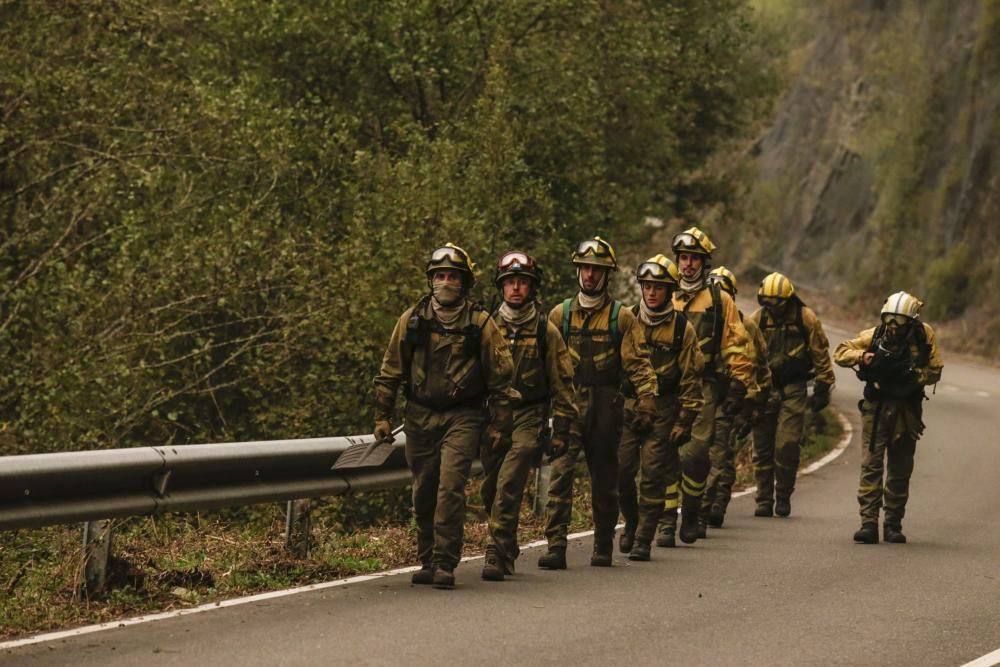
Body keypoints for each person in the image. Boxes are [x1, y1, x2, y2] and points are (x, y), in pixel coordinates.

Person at [373, 243, 517, 589]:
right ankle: (426, 557)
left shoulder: (480, 323)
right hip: (420, 416)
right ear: (430, 280)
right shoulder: (412, 320)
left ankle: (444, 561)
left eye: (453, 276)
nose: (446, 282)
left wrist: (499, 425)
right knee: (423, 490)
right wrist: (382, 415)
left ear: (465, 282)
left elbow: (502, 378)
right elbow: (390, 369)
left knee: (450, 487)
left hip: (463, 417)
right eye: (440, 276)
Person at [538, 236, 658, 569]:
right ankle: (556, 546)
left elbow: (639, 364)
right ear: (578, 272)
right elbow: (543, 365)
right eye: (585, 268)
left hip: (607, 406)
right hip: (568, 404)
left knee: (606, 478)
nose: (590, 275)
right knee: (560, 474)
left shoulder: (621, 318)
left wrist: (647, 402)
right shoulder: (559, 315)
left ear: (608, 275)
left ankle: (603, 544)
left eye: (597, 270)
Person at [655, 227, 757, 547]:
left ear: (704, 263)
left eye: (693, 259)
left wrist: (741, 383)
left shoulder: (718, 299)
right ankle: (668, 521)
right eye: (683, 258)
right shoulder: (663, 294)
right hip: (666, 387)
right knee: (666, 453)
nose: (687, 265)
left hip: (703, 388)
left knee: (695, 454)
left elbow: (737, 343)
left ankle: (693, 509)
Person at [480, 251, 576, 581]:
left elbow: (562, 381)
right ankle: (507, 548)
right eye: (510, 283)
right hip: (493, 415)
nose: (516, 288)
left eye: (522, 282)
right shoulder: (486, 326)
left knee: (510, 479)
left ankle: (495, 550)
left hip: (529, 415)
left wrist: (561, 428)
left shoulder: (544, 330)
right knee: (490, 487)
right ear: (501, 288)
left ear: (532, 288)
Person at [834, 291, 943, 544]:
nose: (893, 326)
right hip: (877, 407)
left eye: (900, 321)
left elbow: (935, 369)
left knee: (900, 468)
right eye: (889, 319)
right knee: (870, 465)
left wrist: (913, 377)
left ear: (912, 321)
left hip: (907, 410)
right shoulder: (873, 335)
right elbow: (840, 353)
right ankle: (868, 523)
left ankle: (893, 524)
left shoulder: (924, 336)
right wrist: (862, 356)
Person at [617, 255, 703, 561]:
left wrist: (686, 420)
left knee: (653, 472)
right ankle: (631, 521)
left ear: (670, 291)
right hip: (629, 405)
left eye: (659, 287)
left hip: (665, 409)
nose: (652, 293)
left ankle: (643, 538)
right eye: (648, 286)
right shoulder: (626, 319)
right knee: (622, 471)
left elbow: (692, 377)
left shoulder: (683, 329)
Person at [748, 272, 835, 518]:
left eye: (777, 304)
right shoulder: (757, 320)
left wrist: (823, 386)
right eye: (767, 303)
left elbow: (820, 353)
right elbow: (746, 356)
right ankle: (764, 498)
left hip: (794, 390)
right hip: (765, 390)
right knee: (762, 446)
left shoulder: (805, 318)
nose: (772, 309)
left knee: (786, 444)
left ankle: (783, 494)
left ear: (788, 300)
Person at [699, 267, 772, 530]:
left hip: (733, 398)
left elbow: (759, 365)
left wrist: (751, 404)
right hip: (703, 396)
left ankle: (715, 504)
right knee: (697, 454)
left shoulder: (747, 325)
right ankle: (698, 505)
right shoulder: (698, 319)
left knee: (722, 454)